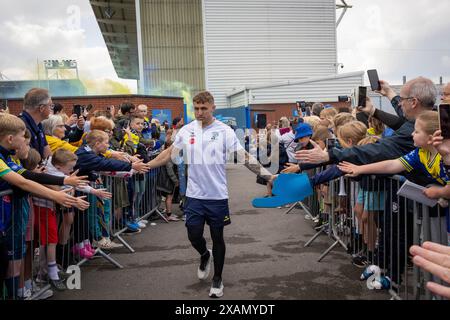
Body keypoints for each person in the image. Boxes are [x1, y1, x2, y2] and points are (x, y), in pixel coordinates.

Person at [146, 91, 274, 298]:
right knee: (193, 234)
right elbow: (169, 153)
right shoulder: (187, 130)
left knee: (218, 238)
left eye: (203, 108)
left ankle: (217, 278)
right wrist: (145, 166)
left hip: (217, 196)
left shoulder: (225, 131)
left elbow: (244, 157)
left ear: (213, 108)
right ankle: (205, 255)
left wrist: (267, 176)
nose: (199, 112)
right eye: (196, 108)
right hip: (194, 195)